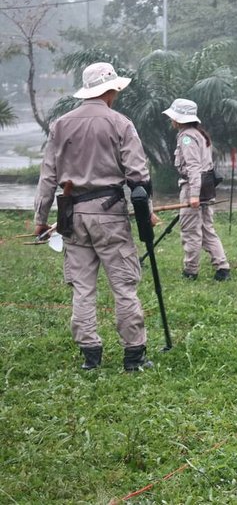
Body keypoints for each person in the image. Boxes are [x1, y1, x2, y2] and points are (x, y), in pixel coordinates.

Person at [33, 62, 155, 372]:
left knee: (83, 287)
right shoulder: (120, 123)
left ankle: (90, 353)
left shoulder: (60, 125)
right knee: (123, 285)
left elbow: (48, 176)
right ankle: (133, 355)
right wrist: (148, 214)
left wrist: (40, 217)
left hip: (71, 215)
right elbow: (138, 176)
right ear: (111, 90)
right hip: (110, 215)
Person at [162, 98, 231, 282]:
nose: (172, 121)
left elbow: (193, 167)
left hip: (194, 187)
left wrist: (193, 195)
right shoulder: (199, 134)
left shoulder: (186, 137)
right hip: (206, 187)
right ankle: (222, 267)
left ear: (180, 119)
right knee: (207, 229)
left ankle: (190, 271)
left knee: (190, 230)